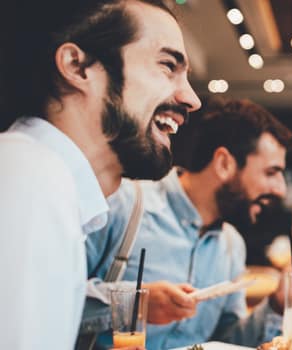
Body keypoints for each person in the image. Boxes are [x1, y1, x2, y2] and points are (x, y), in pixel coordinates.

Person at [0, 1, 200, 348]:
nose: (192, 98)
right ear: (78, 67)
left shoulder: (47, 181)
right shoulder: (29, 178)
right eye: (168, 66)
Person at [85, 98, 292, 349]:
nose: (280, 189)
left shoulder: (231, 245)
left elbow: (228, 343)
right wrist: (135, 303)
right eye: (271, 172)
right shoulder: (122, 205)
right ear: (224, 163)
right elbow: (52, 297)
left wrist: (276, 304)